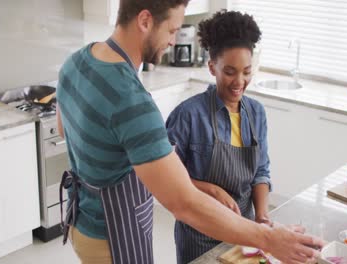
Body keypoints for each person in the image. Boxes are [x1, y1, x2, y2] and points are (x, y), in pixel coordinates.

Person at [56, 1, 324, 264]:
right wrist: (268, 238)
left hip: (81, 222)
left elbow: (64, 130)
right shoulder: (132, 100)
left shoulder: (76, 61)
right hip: (113, 235)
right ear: (145, 21)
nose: (174, 41)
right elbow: (183, 201)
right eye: (172, 30)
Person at [166, 10, 275, 263]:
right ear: (212, 67)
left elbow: (261, 171)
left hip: (245, 230)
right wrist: (210, 190)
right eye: (229, 71)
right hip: (200, 235)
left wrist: (261, 218)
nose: (239, 81)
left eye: (246, 71)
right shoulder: (188, 115)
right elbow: (168, 182)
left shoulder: (256, 113)